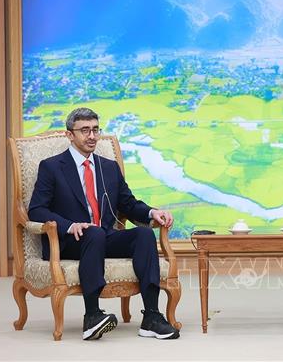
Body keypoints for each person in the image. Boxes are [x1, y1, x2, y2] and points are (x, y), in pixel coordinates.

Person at [28, 107, 179, 340]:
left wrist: (152, 212)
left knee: (143, 235)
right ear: (70, 135)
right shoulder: (52, 167)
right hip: (70, 241)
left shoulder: (108, 167)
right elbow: (36, 209)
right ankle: (92, 316)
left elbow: (128, 203)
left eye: (95, 130)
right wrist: (70, 226)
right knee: (94, 233)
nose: (92, 136)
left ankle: (151, 317)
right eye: (85, 130)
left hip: (102, 237)